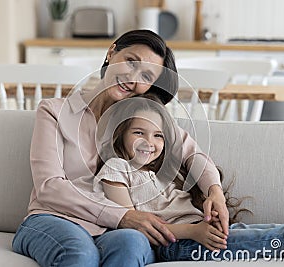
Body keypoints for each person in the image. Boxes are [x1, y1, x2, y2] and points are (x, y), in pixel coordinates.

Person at [12, 29, 229, 267]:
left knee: (132, 244)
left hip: (115, 230)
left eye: (146, 76)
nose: (133, 79)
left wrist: (214, 191)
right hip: (54, 219)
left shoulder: (140, 120)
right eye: (131, 62)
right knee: (81, 254)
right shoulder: (54, 111)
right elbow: (49, 187)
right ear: (111, 52)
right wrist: (123, 216)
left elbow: (192, 152)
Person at [93, 94, 284, 263]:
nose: (150, 142)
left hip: (202, 233)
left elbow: (196, 160)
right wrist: (193, 232)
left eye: (158, 135)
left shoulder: (157, 171)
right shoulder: (116, 169)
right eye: (138, 132)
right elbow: (134, 226)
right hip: (181, 245)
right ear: (120, 133)